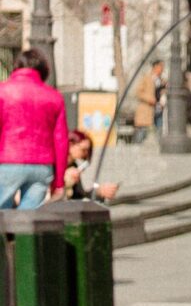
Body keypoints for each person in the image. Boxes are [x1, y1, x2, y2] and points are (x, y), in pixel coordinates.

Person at [0, 50, 68, 210]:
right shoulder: (54, 97)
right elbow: (61, 141)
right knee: (28, 219)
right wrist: (59, 181)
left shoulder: (3, 91)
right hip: (42, 166)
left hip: (6, 162)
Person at [63, 129, 117, 204]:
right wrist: (65, 179)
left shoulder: (74, 166)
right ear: (71, 144)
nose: (85, 154)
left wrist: (99, 191)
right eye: (83, 150)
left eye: (88, 151)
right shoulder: (54, 163)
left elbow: (79, 195)